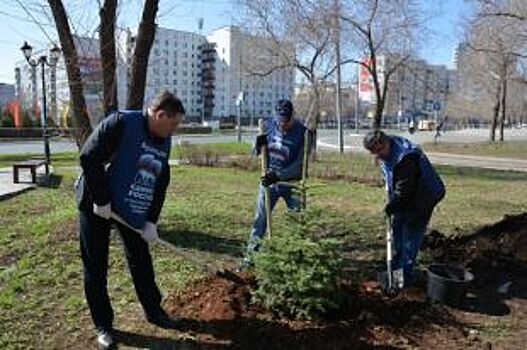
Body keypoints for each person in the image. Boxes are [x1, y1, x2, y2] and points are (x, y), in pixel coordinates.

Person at [75, 91, 185, 349]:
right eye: (173, 123)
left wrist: (151, 222)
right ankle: (104, 325)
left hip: (130, 208)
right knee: (96, 265)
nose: (175, 129)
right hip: (96, 203)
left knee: (141, 258)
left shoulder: (163, 139)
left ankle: (154, 311)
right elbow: (89, 157)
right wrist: (101, 200)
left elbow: (160, 182)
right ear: (159, 115)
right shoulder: (121, 124)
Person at [363, 130, 445, 289]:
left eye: (378, 151)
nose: (377, 156)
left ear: (384, 143)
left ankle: (404, 278)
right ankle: (396, 267)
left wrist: (391, 206)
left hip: (423, 196)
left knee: (410, 236)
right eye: (373, 153)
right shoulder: (388, 150)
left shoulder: (406, 157)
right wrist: (391, 199)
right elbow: (392, 177)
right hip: (407, 195)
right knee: (397, 229)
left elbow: (405, 189)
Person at [237, 99, 309, 271]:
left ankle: (296, 260)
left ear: (293, 116)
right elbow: (256, 154)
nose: (282, 125)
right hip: (269, 183)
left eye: (286, 121)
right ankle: (250, 259)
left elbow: (300, 165)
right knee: (260, 220)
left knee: (297, 222)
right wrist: (257, 145)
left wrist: (278, 175)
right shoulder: (268, 126)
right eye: (280, 121)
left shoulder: (303, 133)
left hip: (292, 184)